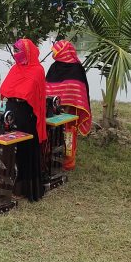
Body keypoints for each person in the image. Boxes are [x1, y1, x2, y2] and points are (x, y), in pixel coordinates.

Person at [0, 38, 47, 202]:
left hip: (26, 114)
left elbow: (35, 96)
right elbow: (6, 89)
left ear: (28, 52)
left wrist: (20, 94)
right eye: (14, 50)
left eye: (18, 50)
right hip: (11, 110)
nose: (15, 54)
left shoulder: (38, 71)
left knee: (24, 151)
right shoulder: (15, 68)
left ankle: (23, 188)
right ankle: (4, 183)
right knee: (8, 147)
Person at [45, 40, 91, 170]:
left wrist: (66, 101)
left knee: (68, 135)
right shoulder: (54, 67)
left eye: (55, 51)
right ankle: (49, 158)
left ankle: (68, 162)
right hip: (53, 109)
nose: (53, 54)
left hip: (70, 111)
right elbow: (47, 87)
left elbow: (79, 90)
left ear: (63, 52)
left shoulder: (76, 68)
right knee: (51, 133)